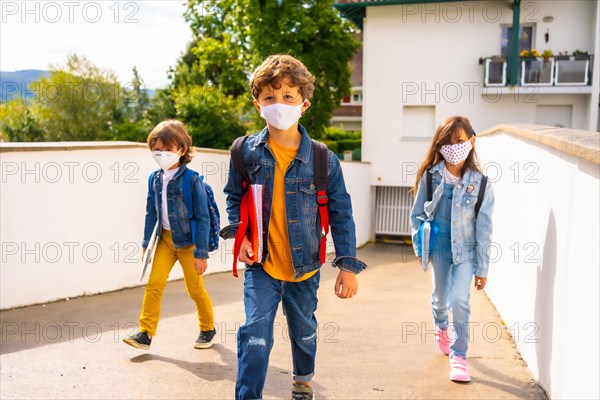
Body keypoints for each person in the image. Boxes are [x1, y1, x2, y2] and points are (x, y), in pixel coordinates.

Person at [221, 55, 367, 400]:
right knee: (255, 334)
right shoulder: (244, 152)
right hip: (261, 264)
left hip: (305, 268)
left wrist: (348, 265)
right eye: (270, 97)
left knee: (304, 332)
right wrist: (237, 236)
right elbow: (233, 196)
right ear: (258, 105)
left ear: (304, 104)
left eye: (288, 96)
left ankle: (302, 381)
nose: (279, 104)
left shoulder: (322, 158)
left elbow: (341, 213)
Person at [410, 115, 495, 382]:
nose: (453, 146)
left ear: (471, 141)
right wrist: (419, 247)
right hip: (439, 248)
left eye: (459, 140)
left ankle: (459, 355)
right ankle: (441, 324)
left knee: (460, 299)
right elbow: (416, 215)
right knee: (440, 299)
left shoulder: (481, 184)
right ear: (439, 145)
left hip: (467, 251)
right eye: (447, 141)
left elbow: (484, 228)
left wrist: (482, 267)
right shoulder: (431, 177)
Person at [123, 119, 216, 351]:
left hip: (189, 244)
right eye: (157, 150)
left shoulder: (191, 180)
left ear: (181, 149)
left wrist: (201, 253)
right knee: (154, 285)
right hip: (165, 240)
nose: (161, 154)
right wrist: (146, 243)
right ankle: (145, 333)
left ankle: (208, 328)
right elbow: (151, 212)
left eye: (167, 150)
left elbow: (203, 218)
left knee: (194, 289)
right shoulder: (154, 179)